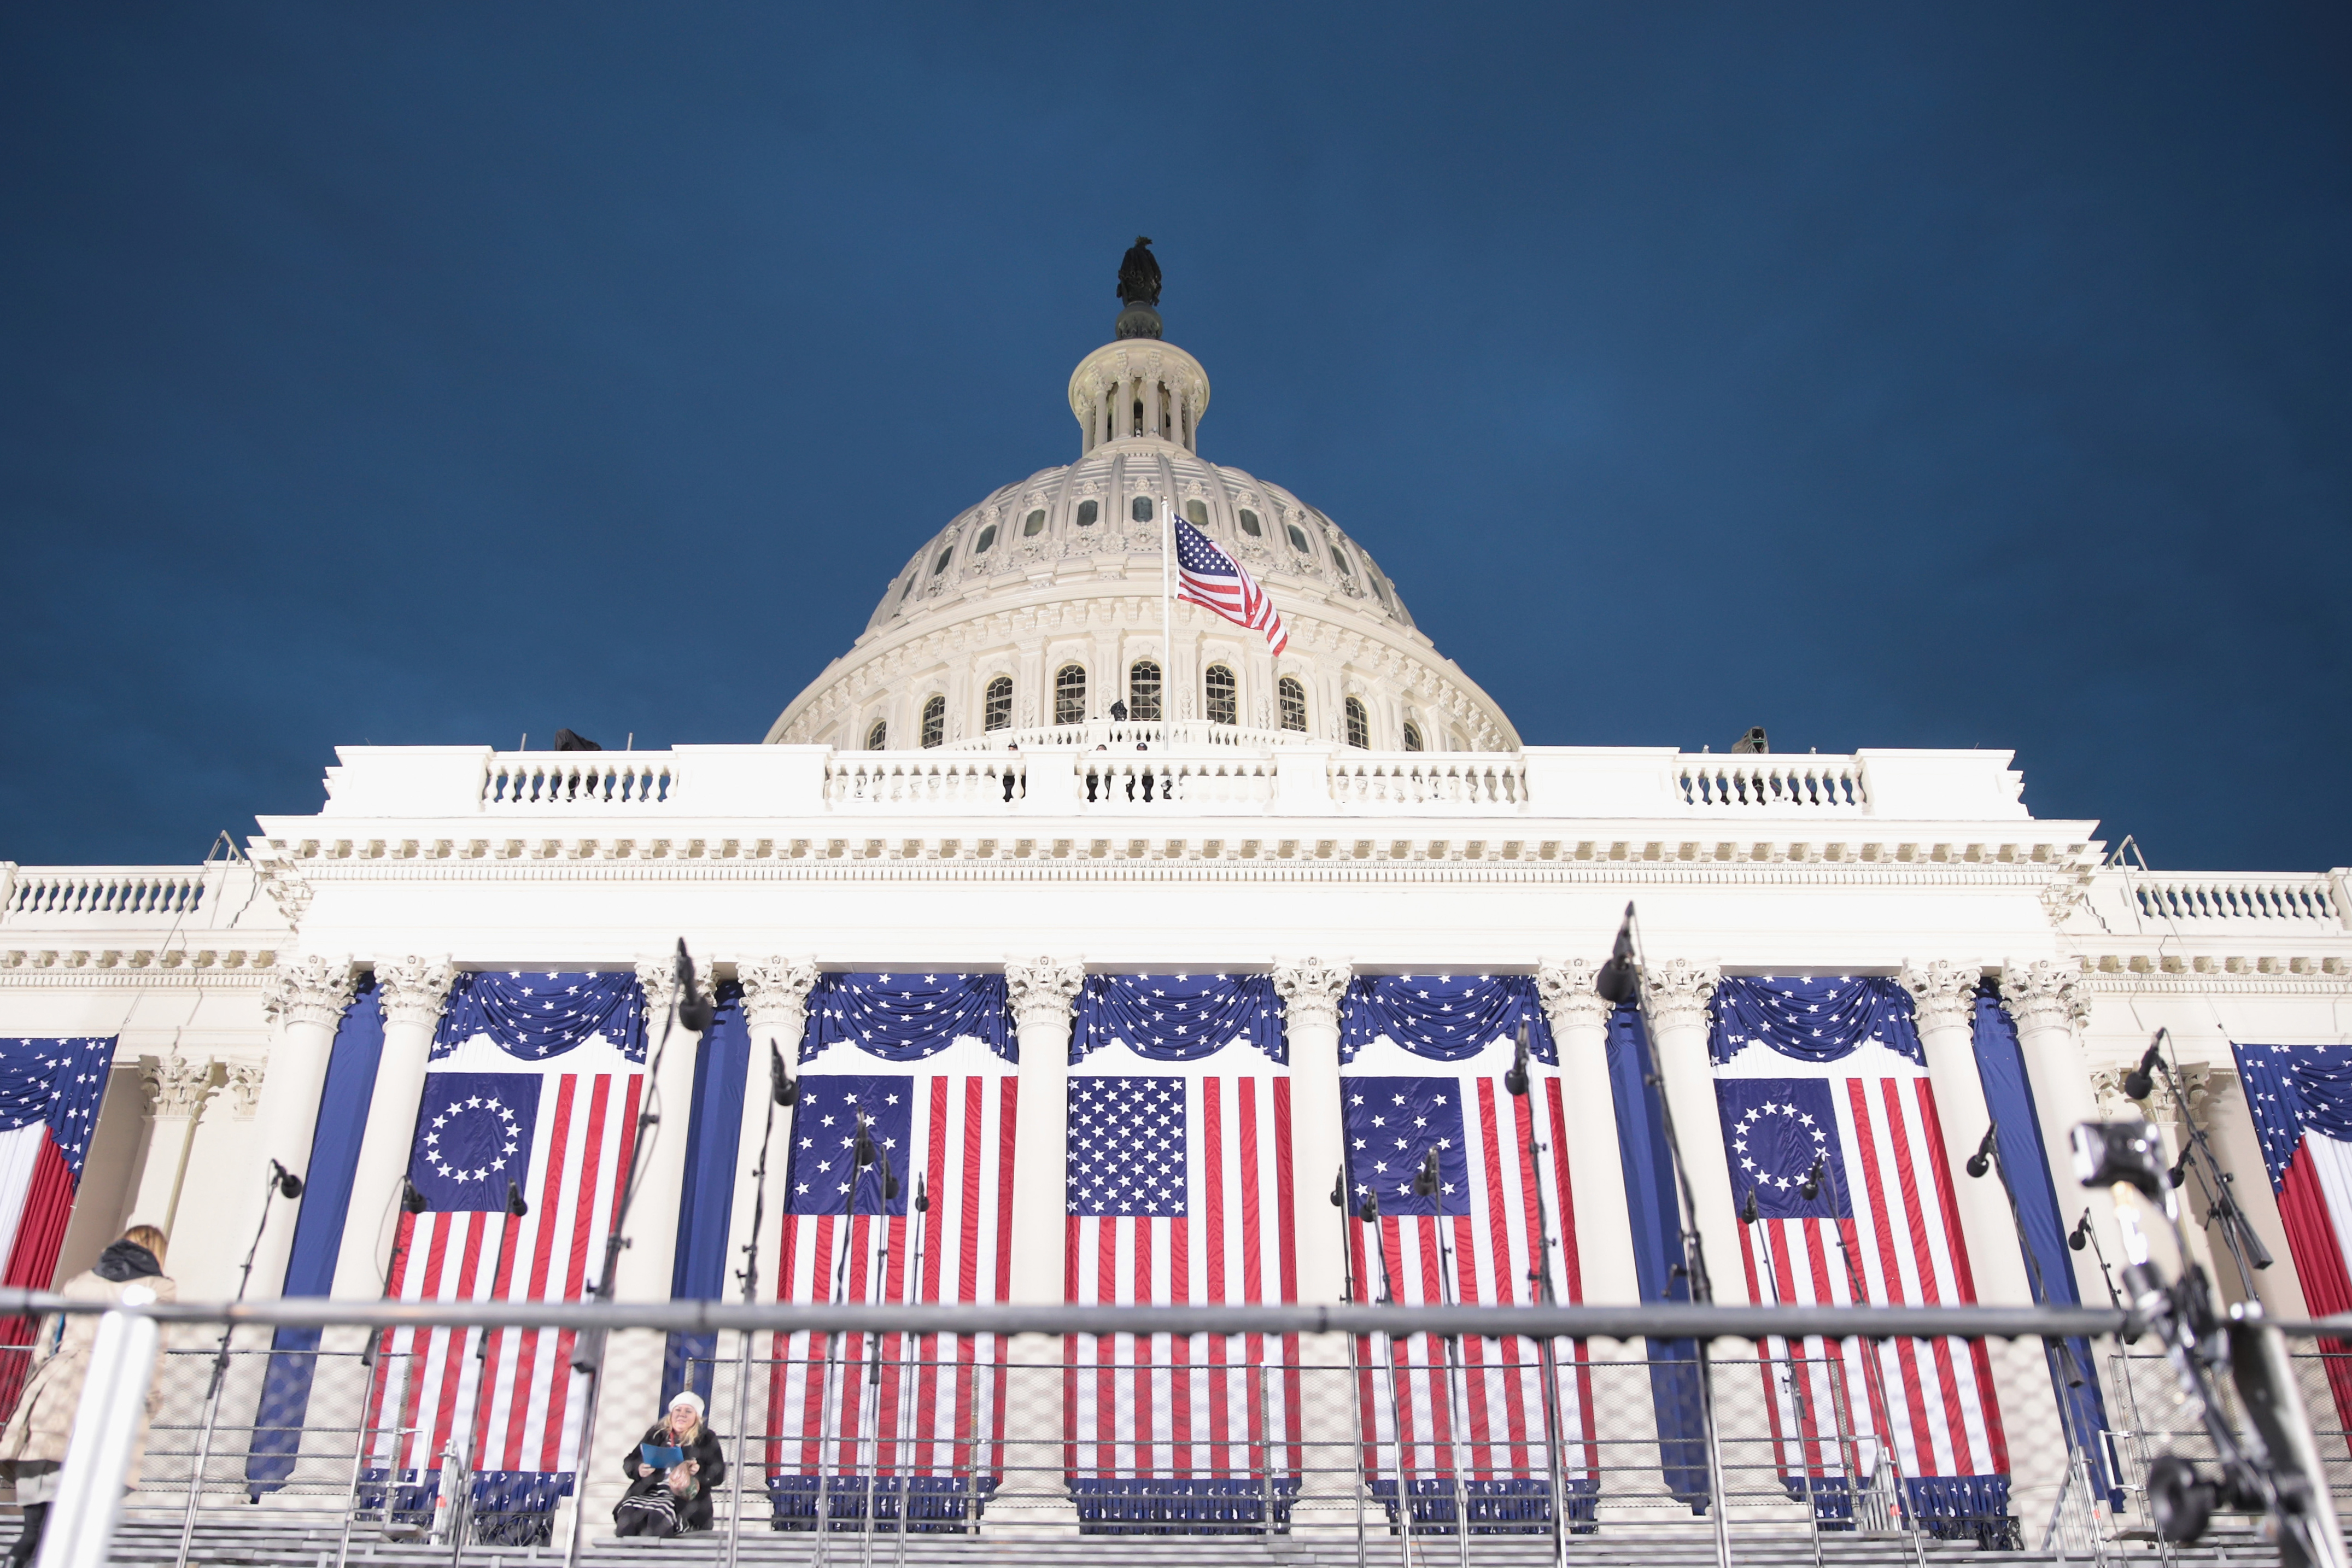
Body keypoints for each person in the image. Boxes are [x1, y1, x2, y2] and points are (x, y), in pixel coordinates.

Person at [1, 1226, 176, 1568]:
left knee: (34, 1530)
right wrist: (151, 1401)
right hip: (107, 1398)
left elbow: (44, 1347)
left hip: (53, 1399)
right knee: (73, 1531)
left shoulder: (79, 1282)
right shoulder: (158, 1288)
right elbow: (154, 1352)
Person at [616, 1389, 726, 1534]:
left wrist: (698, 1471)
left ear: (697, 1417)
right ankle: (626, 1555)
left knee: (659, 1515)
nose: (682, 1415)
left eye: (688, 1411)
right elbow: (630, 1461)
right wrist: (639, 1469)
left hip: (682, 1500)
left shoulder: (706, 1438)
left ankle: (658, 1555)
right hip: (649, 1492)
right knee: (628, 1512)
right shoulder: (656, 1434)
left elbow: (718, 1475)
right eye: (678, 1410)